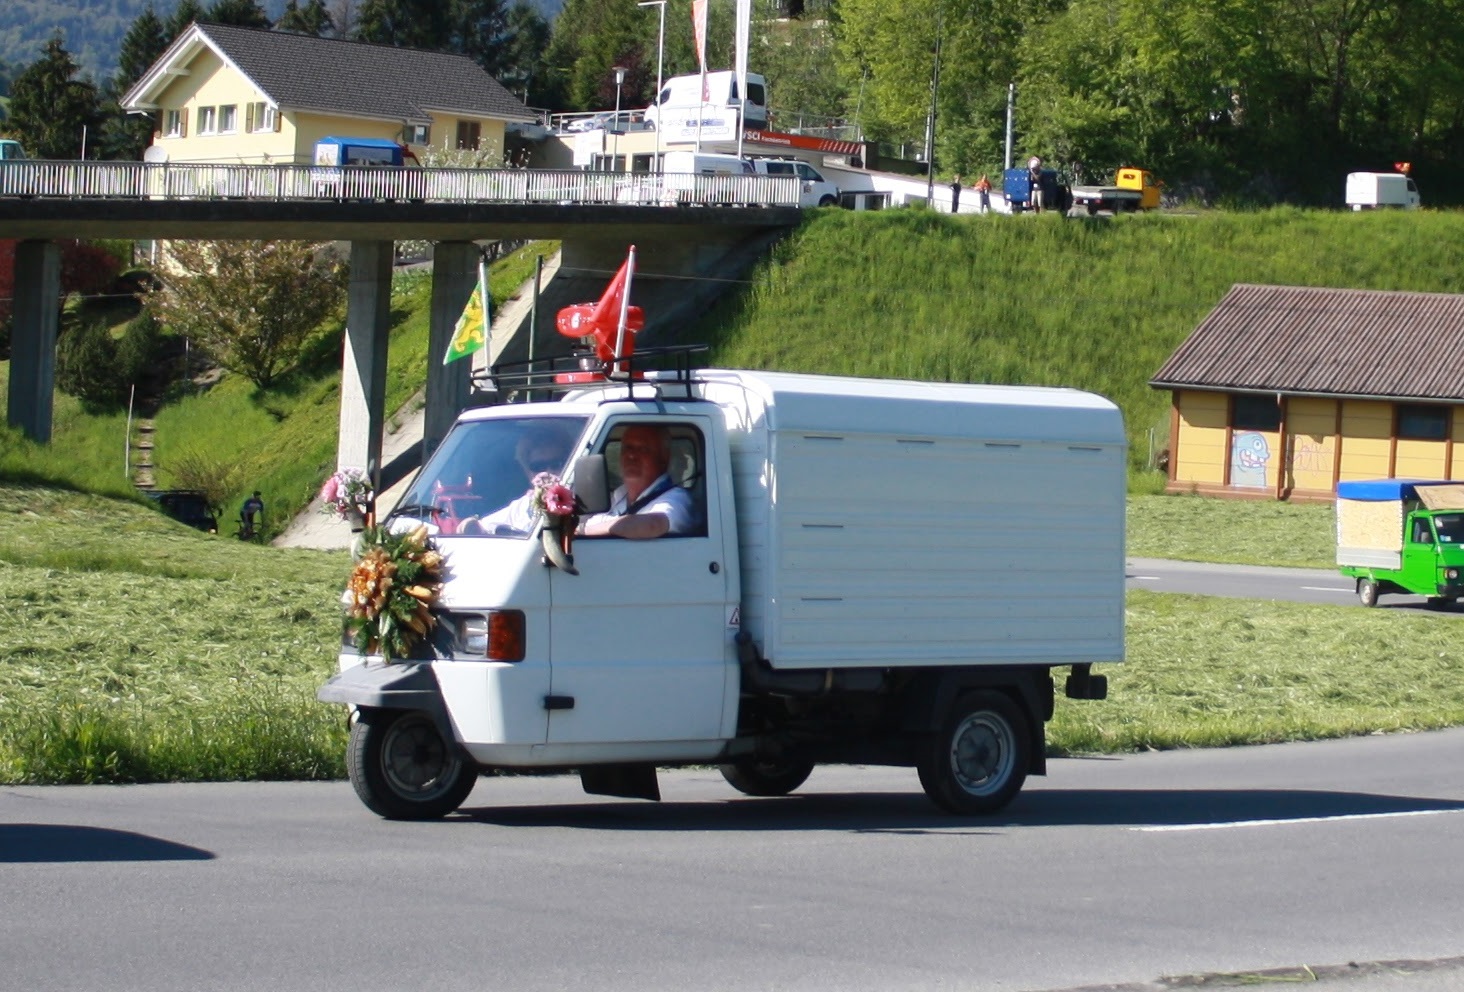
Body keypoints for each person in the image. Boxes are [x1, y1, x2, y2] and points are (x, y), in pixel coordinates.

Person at [580, 424, 696, 540]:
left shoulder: (678, 499)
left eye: (643, 449)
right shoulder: (617, 496)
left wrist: (584, 531)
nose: (631, 455)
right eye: (627, 448)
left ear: (663, 458)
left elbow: (653, 525)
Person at [458, 426, 573, 535]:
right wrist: (470, 525)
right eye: (538, 466)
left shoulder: (582, 501)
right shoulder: (522, 507)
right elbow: (482, 526)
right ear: (528, 472)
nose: (548, 472)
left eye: (556, 464)